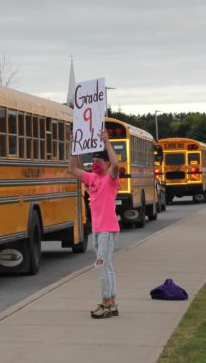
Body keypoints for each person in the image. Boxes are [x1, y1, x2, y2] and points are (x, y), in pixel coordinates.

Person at [68, 131, 120, 319]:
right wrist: (74, 147)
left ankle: (106, 304)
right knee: (107, 266)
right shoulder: (92, 179)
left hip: (107, 229)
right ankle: (112, 303)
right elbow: (72, 169)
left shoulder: (110, 179)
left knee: (102, 266)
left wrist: (106, 142)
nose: (95, 163)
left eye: (99, 160)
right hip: (98, 229)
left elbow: (116, 164)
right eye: (94, 159)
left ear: (105, 164)